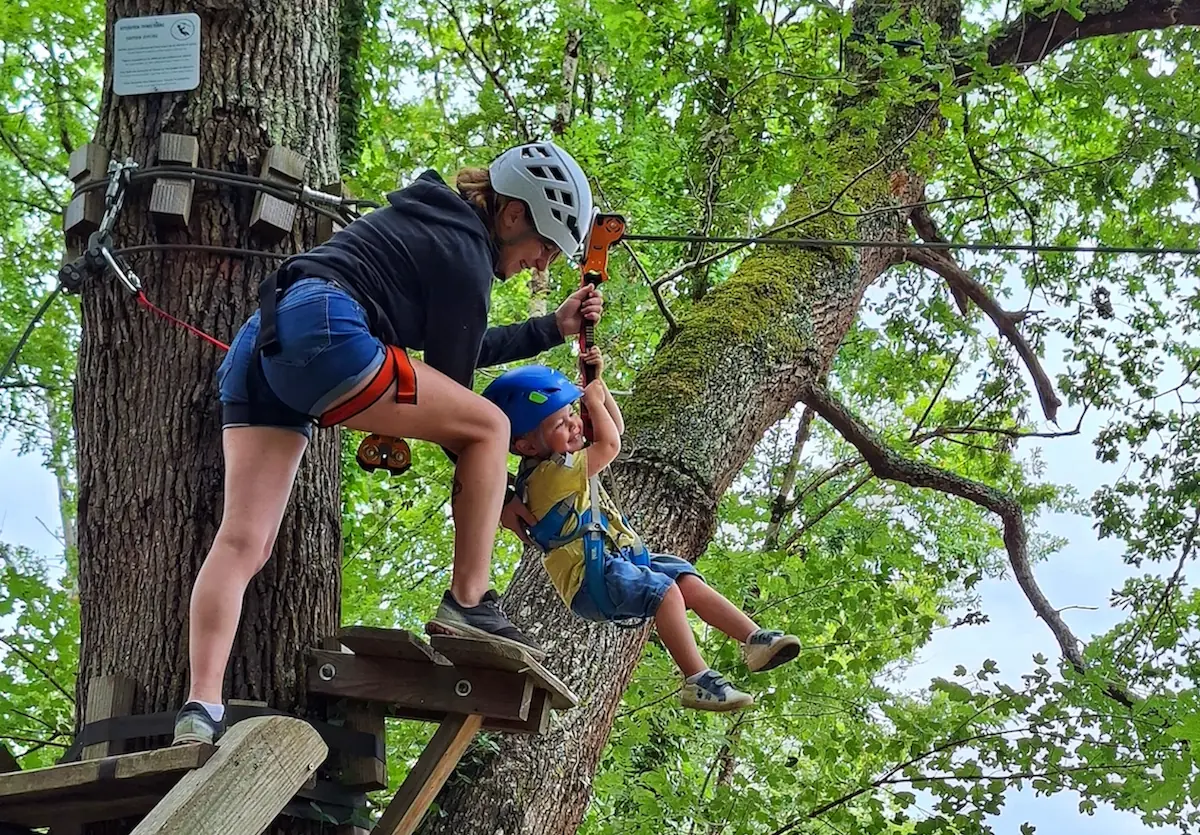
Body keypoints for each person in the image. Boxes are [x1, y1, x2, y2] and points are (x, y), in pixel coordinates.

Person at [173, 141, 602, 745]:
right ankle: (469, 601)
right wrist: (499, 490)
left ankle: (200, 708)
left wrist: (547, 331)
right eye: (544, 248)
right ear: (511, 216)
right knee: (491, 427)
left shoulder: (435, 231)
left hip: (265, 342)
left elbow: (456, 348)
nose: (541, 266)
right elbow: (460, 394)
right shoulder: (465, 253)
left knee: (244, 539)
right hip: (328, 330)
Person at [482, 352, 801, 712]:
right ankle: (697, 679)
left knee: (684, 579)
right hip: (592, 578)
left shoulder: (562, 460)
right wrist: (592, 400)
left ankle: (753, 639)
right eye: (560, 423)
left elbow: (614, 430)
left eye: (572, 415)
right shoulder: (549, 476)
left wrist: (597, 390)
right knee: (665, 592)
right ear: (525, 446)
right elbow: (611, 445)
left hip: (617, 562)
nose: (574, 425)